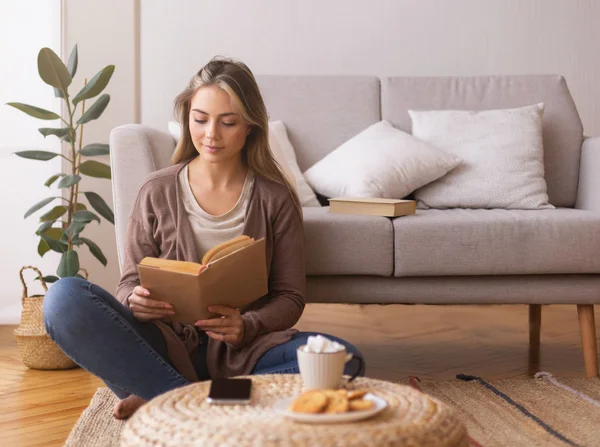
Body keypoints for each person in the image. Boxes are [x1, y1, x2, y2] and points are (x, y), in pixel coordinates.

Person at [43, 57, 365, 420]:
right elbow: (129, 283)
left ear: (250, 127)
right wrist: (135, 301)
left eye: (228, 122)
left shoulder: (275, 198)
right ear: (187, 118)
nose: (211, 134)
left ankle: (163, 396)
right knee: (64, 299)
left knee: (344, 359)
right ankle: (195, 399)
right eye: (200, 119)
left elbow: (290, 296)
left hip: (245, 352)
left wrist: (248, 325)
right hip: (164, 346)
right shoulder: (156, 190)